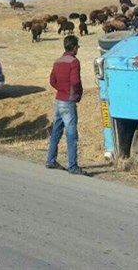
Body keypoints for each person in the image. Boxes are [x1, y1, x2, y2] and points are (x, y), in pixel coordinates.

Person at [45, 35, 88, 175]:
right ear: (74, 47)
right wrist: (77, 93)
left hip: (58, 100)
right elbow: (75, 81)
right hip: (68, 101)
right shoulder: (74, 62)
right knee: (71, 134)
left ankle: (50, 160)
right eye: (77, 46)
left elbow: (52, 80)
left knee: (56, 131)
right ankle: (72, 165)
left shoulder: (57, 61)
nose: (78, 49)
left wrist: (61, 89)